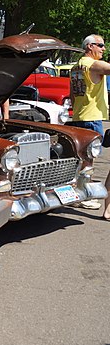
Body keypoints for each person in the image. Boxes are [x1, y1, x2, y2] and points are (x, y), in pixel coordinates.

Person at [69, 34, 110, 212]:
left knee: (80, 159)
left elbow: (72, 94)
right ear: (89, 47)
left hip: (79, 115)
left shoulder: (75, 67)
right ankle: (83, 195)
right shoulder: (93, 65)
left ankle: (76, 193)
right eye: (100, 45)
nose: (103, 49)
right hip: (91, 117)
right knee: (89, 160)